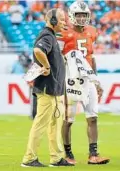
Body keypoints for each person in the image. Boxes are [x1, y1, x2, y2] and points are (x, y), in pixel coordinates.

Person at [56, 1, 110, 165]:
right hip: (70, 80)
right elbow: (57, 57)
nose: (81, 18)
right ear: (72, 15)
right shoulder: (63, 32)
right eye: (78, 15)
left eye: (84, 15)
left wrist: (96, 80)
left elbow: (91, 58)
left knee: (93, 117)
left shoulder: (92, 31)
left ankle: (93, 154)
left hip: (88, 80)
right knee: (68, 119)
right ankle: (68, 154)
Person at [21, 8, 74, 167]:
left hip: (54, 90)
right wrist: (46, 66)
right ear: (52, 21)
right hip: (48, 89)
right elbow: (38, 50)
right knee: (41, 125)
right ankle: (29, 158)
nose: (64, 22)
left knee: (54, 126)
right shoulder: (47, 35)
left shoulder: (51, 36)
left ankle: (56, 158)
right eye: (62, 19)